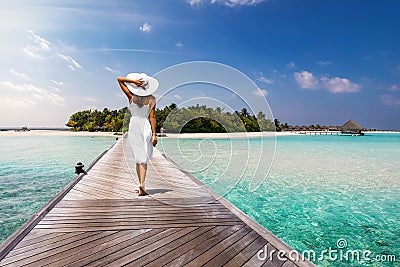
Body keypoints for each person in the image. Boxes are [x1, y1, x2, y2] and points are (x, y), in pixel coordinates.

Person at [117, 73, 158, 196]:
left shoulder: (131, 96)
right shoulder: (152, 99)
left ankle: (140, 183)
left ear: (138, 85)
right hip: (145, 125)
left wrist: (133, 82)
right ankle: (142, 183)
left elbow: (119, 80)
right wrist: (155, 134)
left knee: (138, 157)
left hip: (134, 125)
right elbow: (153, 117)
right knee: (143, 157)